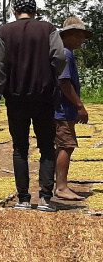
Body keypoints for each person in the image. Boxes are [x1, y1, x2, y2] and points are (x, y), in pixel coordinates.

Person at [0, 0, 66, 212]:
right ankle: (45, 199)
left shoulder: (5, 31)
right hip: (44, 99)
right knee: (47, 148)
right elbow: (60, 58)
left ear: (14, 11)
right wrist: (51, 75)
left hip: (16, 100)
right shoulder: (49, 29)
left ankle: (23, 199)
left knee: (20, 149)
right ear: (35, 11)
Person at [54, 17, 93, 201]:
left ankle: (57, 184)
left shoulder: (64, 52)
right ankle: (61, 187)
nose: (81, 40)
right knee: (66, 146)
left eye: (83, 37)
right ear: (67, 35)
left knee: (62, 146)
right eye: (77, 36)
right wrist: (80, 106)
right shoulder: (65, 53)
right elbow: (64, 82)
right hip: (62, 109)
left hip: (61, 109)